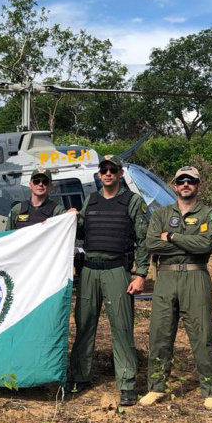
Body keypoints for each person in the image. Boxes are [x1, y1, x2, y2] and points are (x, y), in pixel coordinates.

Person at [139, 166, 212, 410]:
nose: (186, 184)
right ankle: (155, 387)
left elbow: (206, 246)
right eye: (181, 181)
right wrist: (189, 243)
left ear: (199, 185)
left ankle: (210, 389)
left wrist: (173, 238)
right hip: (165, 279)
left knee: (202, 335)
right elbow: (152, 244)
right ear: (174, 185)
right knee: (159, 334)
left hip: (196, 278)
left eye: (191, 181)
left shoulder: (210, 215)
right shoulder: (160, 214)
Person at [68, 157, 149, 406]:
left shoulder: (133, 201)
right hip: (90, 271)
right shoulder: (90, 200)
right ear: (99, 174)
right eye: (104, 170)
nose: (108, 173)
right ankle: (79, 376)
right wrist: (71, 218)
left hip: (117, 269)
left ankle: (126, 383)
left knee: (122, 327)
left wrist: (141, 274)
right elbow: (81, 231)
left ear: (121, 173)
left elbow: (144, 239)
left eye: (113, 170)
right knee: (84, 325)